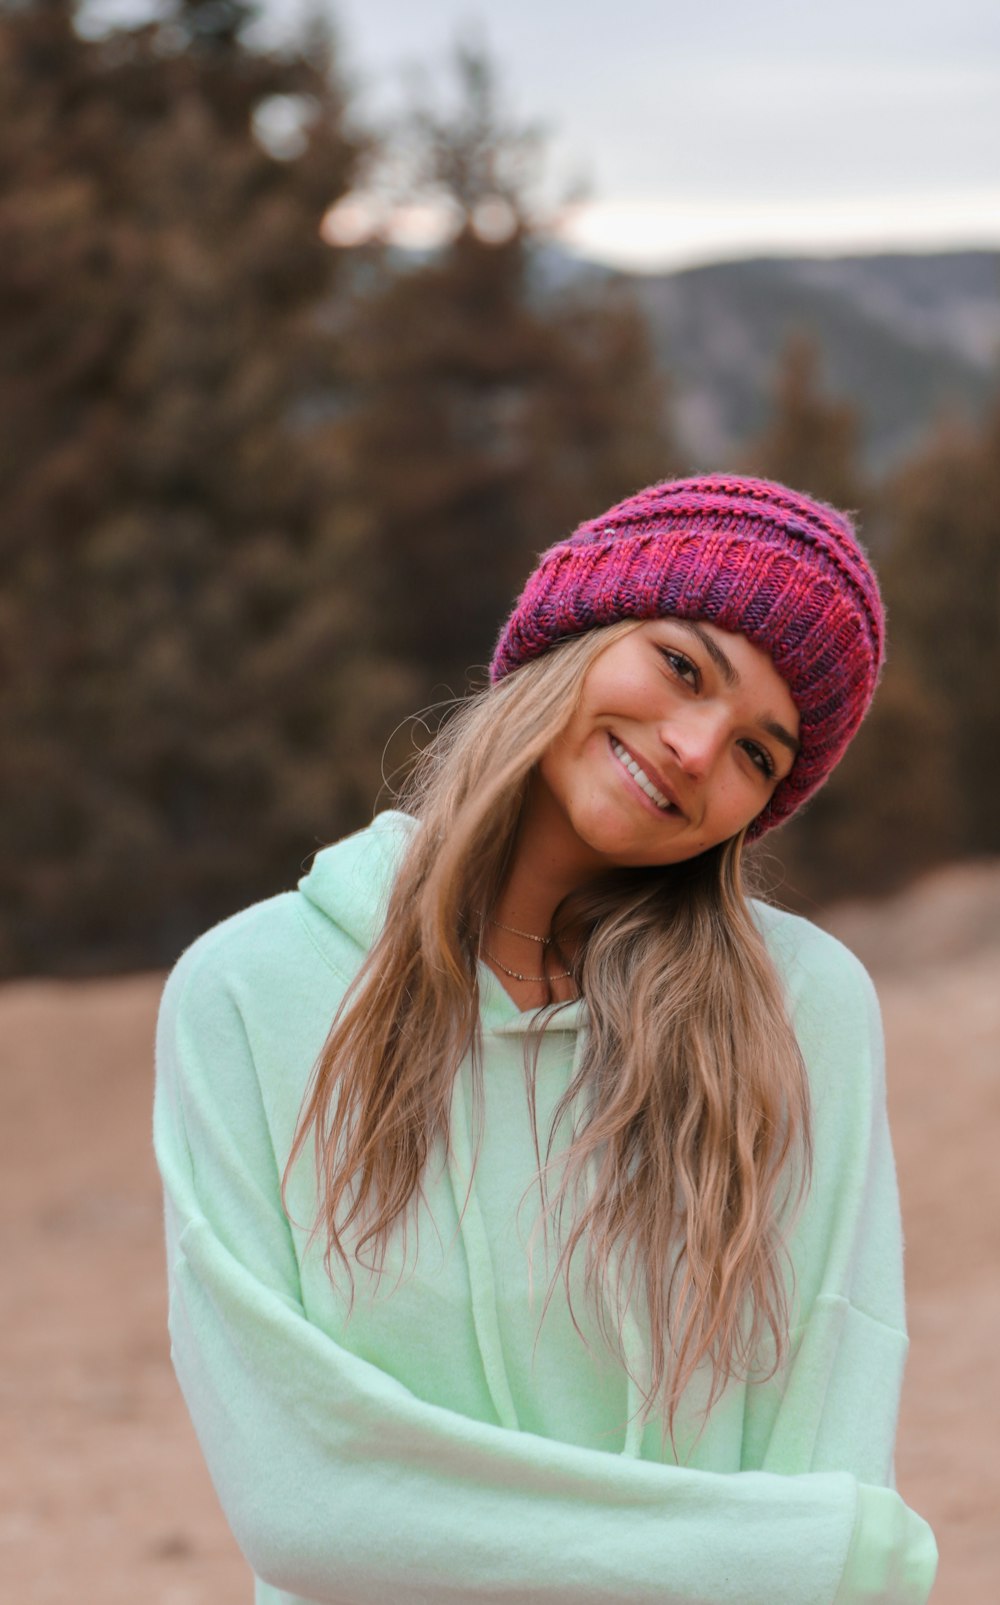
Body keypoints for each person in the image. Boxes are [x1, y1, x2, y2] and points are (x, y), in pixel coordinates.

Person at [154, 474, 938, 1604]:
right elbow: (304, 1498)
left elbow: (832, 1412)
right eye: (681, 665)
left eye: (759, 754)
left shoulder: (801, 1009)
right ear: (571, 630)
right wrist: (808, 1553)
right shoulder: (245, 993)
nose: (693, 747)